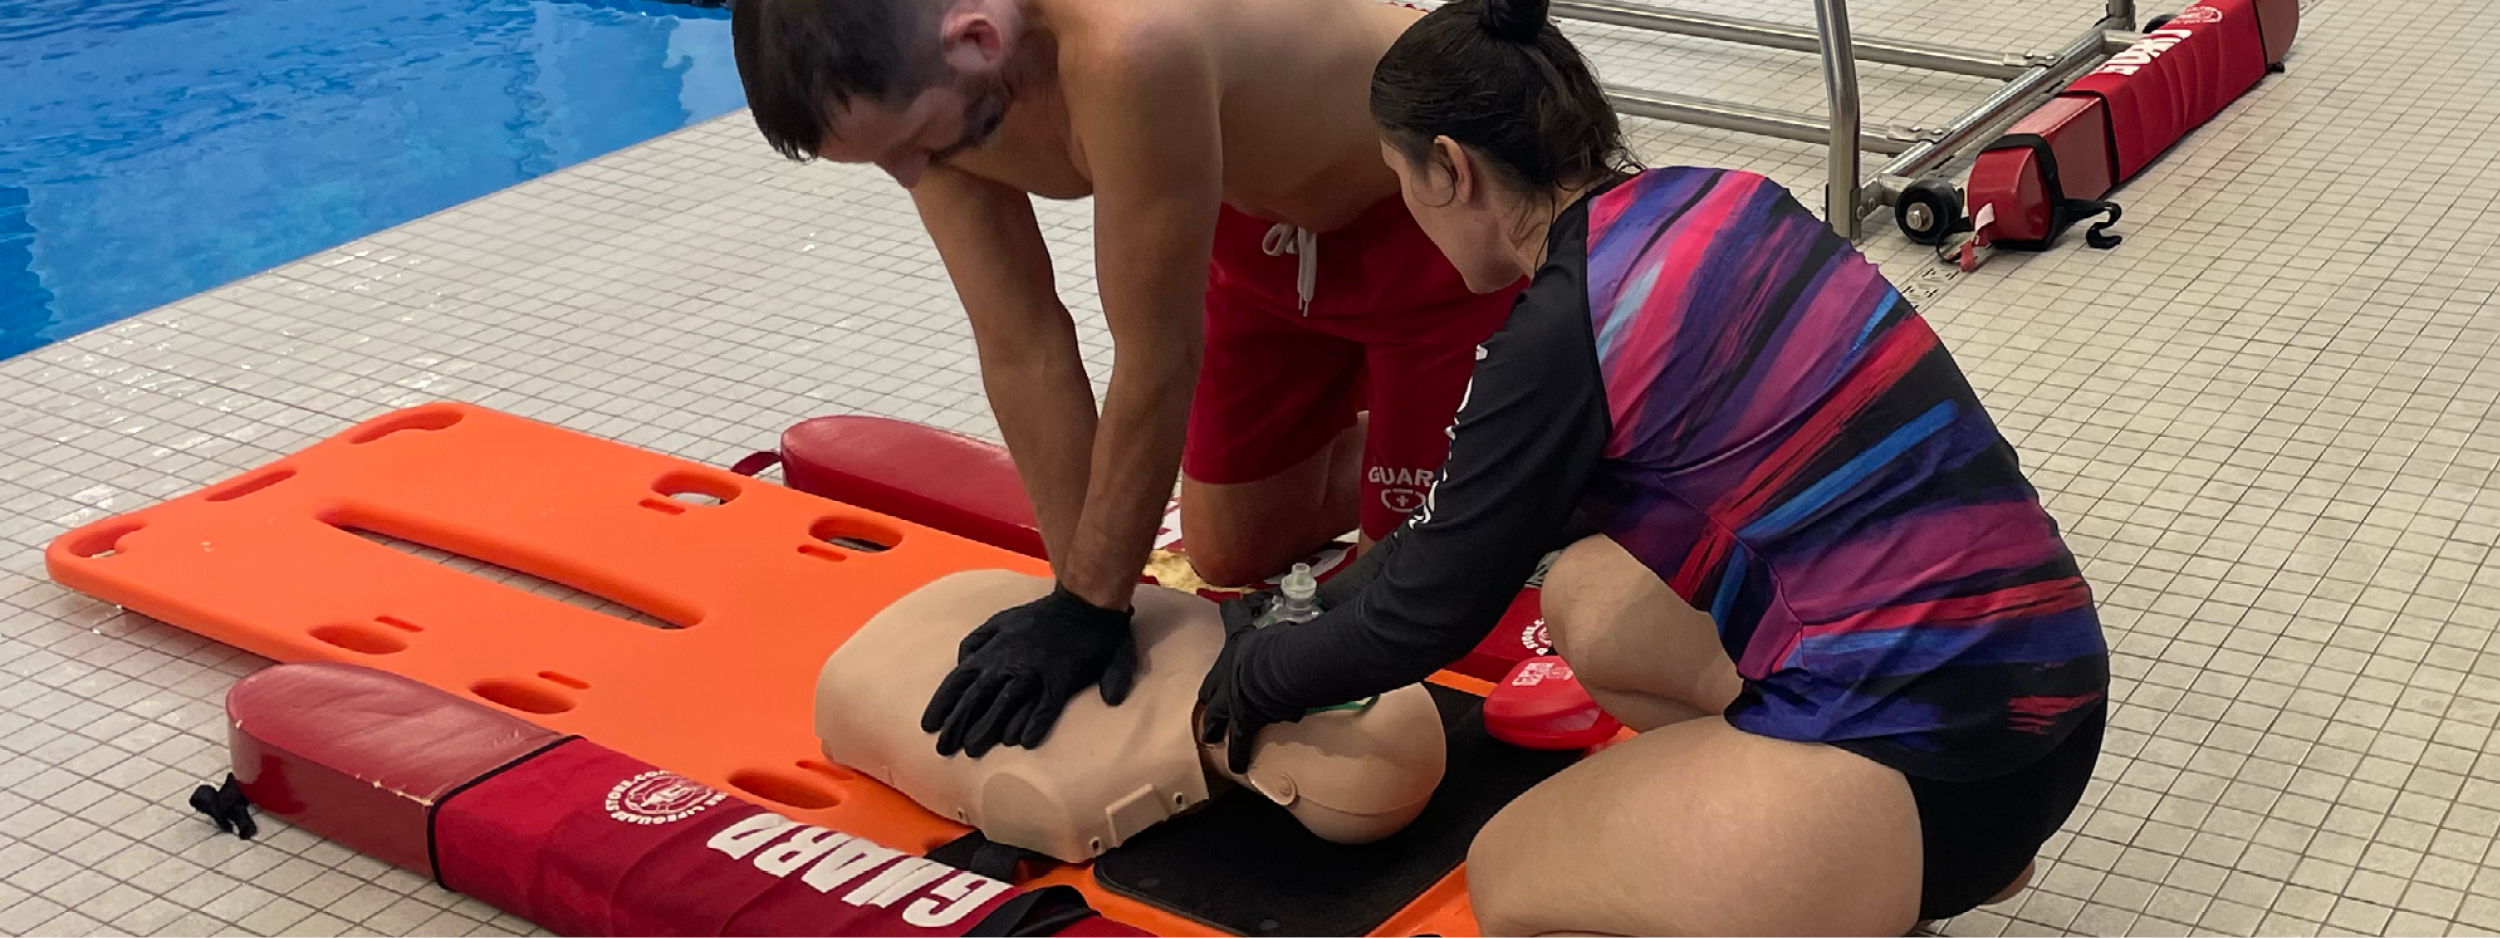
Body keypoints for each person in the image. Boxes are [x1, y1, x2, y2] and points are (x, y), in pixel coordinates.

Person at [1189, 0, 2114, 931]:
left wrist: (1256, 681)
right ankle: (1853, 862)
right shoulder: (1725, 200)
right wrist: (1288, 616)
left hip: (1933, 767)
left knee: (1510, 876)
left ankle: (1846, 868)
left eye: (1402, 184)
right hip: (2054, 707)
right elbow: (1453, 537)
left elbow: (1423, 617)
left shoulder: (1563, 330)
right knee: (1589, 597)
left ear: (1451, 169)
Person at [729, 0, 1522, 760]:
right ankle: (1451, 442)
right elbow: (1022, 345)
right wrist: (1083, 602)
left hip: (1431, 215)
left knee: (1398, 599)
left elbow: (1156, 353)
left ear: (976, 41)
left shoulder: (1133, 41)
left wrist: (1092, 604)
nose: (907, 174)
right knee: (1230, 548)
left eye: (912, 145)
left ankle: (1517, 435)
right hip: (1262, 227)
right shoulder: (931, 98)